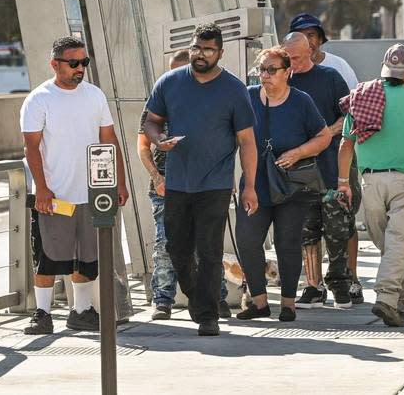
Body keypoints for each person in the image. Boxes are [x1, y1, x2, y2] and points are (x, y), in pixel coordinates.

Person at [142, 22, 258, 337]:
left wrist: (249, 184)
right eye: (196, 47)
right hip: (177, 181)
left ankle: (207, 317)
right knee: (176, 246)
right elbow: (151, 123)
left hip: (215, 182)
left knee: (209, 250)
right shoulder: (169, 82)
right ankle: (198, 299)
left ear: (220, 52)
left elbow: (247, 140)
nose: (200, 54)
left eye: (207, 49)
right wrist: (158, 140)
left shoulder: (233, 89)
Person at [21, 36, 128, 336]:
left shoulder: (94, 96)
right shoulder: (39, 99)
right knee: (48, 256)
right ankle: (41, 314)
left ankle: (80, 311)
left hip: (92, 193)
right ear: (55, 64)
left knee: (87, 256)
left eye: (84, 62)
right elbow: (31, 148)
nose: (80, 68)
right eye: (73, 63)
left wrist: (118, 181)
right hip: (54, 195)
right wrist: (41, 188)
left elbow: (109, 138)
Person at [338, 44, 404, 327]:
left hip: (369, 180)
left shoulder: (361, 98)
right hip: (403, 181)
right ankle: (394, 299)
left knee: (389, 243)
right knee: (396, 243)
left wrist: (342, 182)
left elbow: (345, 143)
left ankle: (398, 301)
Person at [235, 46, 332, 322]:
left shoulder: (301, 101)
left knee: (287, 242)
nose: (264, 75)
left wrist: (299, 152)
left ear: (287, 72)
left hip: (291, 186)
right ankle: (259, 302)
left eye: (271, 70)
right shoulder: (249, 98)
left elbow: (324, 136)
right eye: (261, 70)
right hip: (256, 183)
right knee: (248, 239)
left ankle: (288, 303)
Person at [136, 50, 230, 320]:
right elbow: (142, 145)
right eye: (174, 72)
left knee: (207, 246)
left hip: (205, 185)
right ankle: (163, 299)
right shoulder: (160, 100)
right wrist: (157, 176)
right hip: (167, 185)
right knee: (166, 244)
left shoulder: (210, 100)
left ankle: (215, 298)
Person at [281, 32, 362, 309]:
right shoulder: (284, 80)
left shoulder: (329, 77)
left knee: (337, 228)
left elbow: (349, 116)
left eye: (300, 58)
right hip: (299, 173)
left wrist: (326, 133)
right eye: (290, 58)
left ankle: (340, 283)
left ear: (311, 53)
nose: (295, 63)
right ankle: (313, 286)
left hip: (329, 168)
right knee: (307, 230)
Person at [289, 12, 359, 89]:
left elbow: (353, 98)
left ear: (320, 39)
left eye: (311, 35)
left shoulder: (339, 65)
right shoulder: (286, 69)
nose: (306, 42)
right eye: (300, 37)